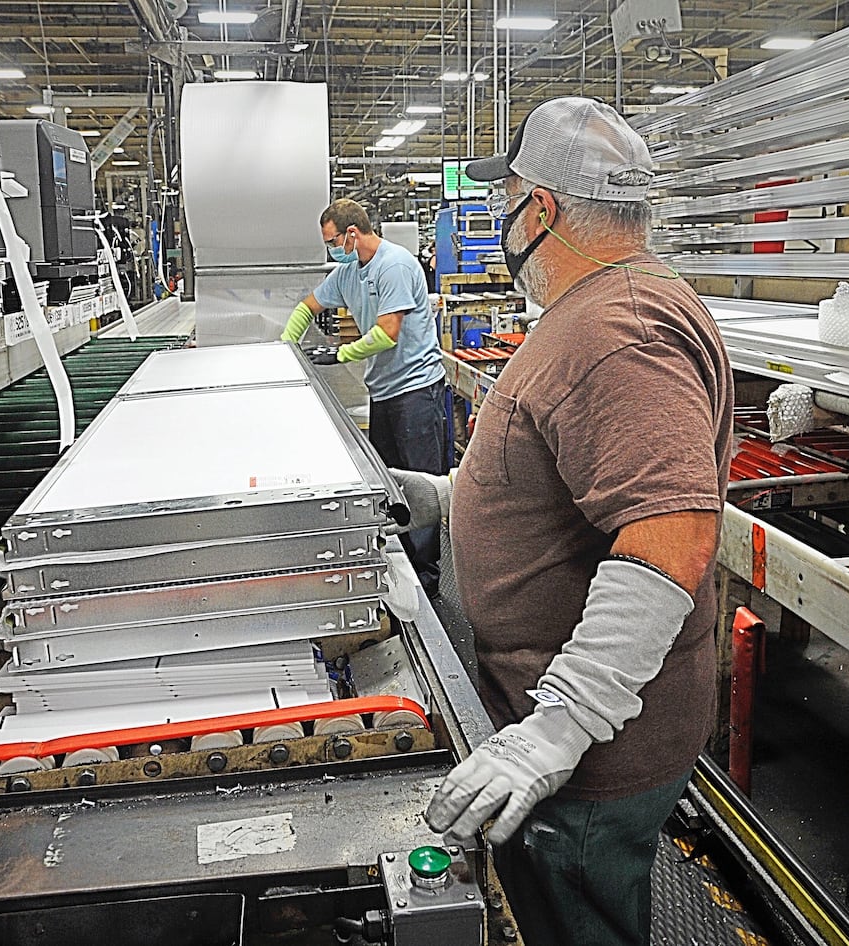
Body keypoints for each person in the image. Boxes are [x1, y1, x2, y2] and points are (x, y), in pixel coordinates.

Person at [390, 97, 734, 946]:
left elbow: (670, 537)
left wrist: (556, 731)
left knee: (578, 922)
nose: (501, 226)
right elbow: (567, 480)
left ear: (540, 209)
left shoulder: (617, 329)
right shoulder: (609, 305)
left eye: (504, 205)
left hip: (590, 760)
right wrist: (440, 496)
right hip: (583, 728)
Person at [282, 199, 448, 598]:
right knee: (389, 482)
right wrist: (285, 349)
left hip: (415, 390)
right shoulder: (348, 272)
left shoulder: (394, 265)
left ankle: (427, 582)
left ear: (352, 233)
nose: (331, 249)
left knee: (421, 488)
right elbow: (309, 306)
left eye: (333, 240)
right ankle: (399, 566)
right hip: (385, 390)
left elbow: (388, 332)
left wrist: (340, 353)